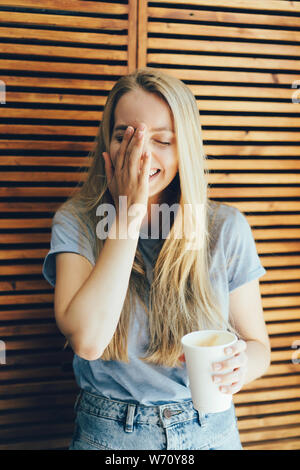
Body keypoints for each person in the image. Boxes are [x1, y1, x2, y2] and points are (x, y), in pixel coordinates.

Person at [42, 67, 271, 450]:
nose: (141, 153)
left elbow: (257, 345)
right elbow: (88, 341)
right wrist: (127, 216)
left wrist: (239, 366)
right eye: (124, 136)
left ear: (185, 150)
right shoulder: (77, 221)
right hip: (111, 434)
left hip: (210, 430)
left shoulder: (225, 227)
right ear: (107, 144)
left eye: (162, 140)